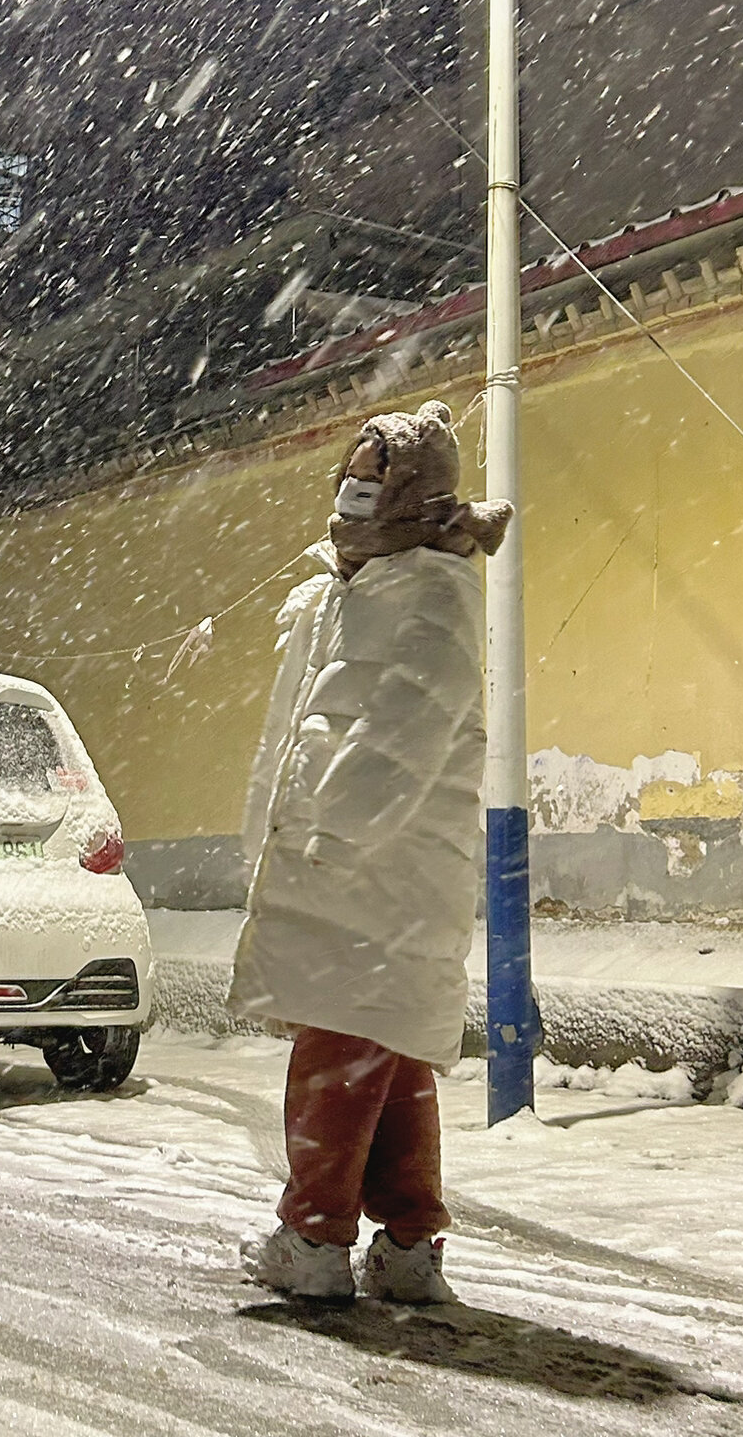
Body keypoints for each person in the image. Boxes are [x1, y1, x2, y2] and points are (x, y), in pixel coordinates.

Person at [231, 399, 512, 1306]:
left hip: (371, 869)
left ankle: (314, 1238)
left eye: (370, 479)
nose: (352, 493)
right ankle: (410, 1240)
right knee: (385, 1059)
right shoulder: (353, 590)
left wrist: (329, 834)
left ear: (411, 498)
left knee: (339, 1056)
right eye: (348, 476)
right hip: (358, 866)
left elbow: (401, 733)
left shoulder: (429, 593)